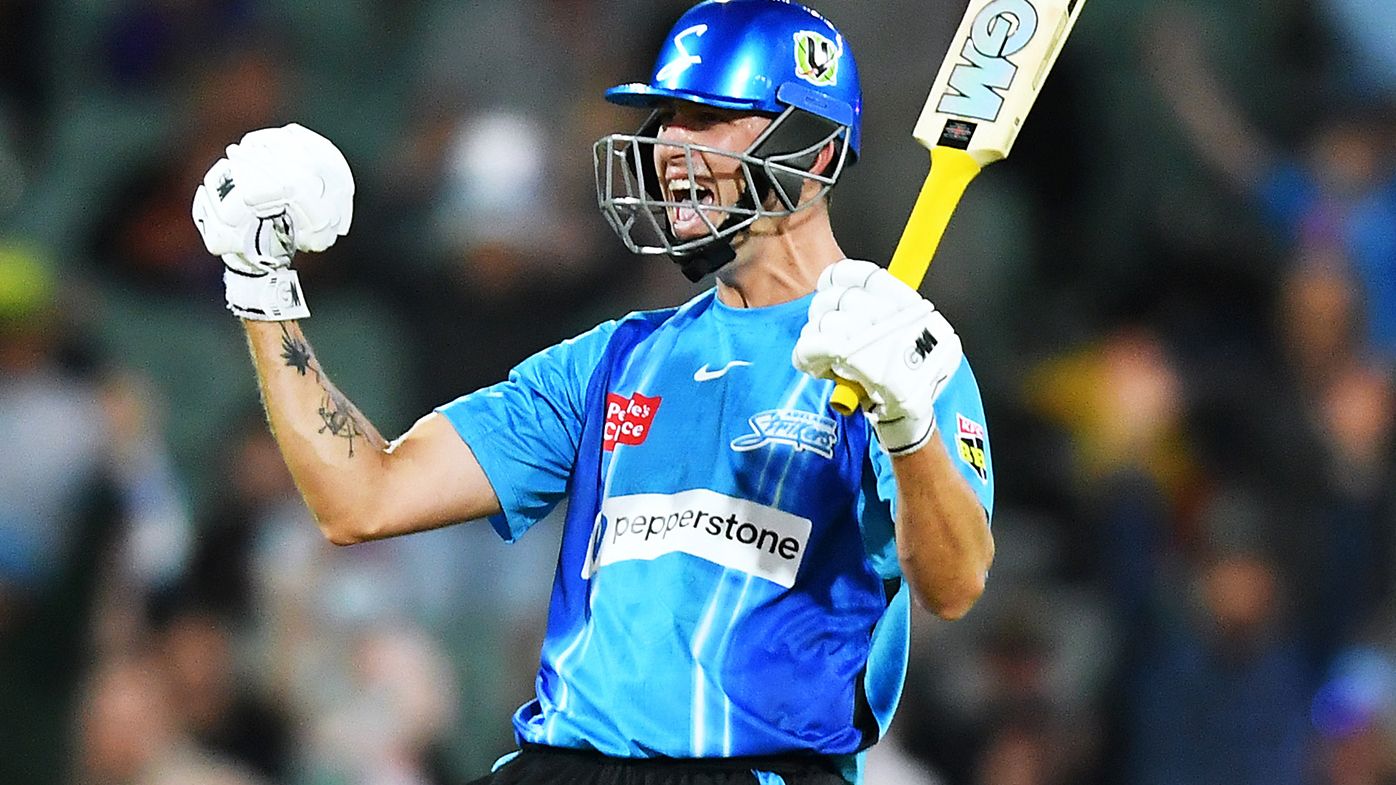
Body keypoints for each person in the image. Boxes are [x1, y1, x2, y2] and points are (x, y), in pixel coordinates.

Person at [190, 2, 995, 783]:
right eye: (667, 116)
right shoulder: (614, 360)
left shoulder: (904, 355)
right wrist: (262, 289)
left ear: (814, 154)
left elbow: (954, 584)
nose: (671, 145)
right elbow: (362, 497)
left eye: (708, 116)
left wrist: (908, 423)